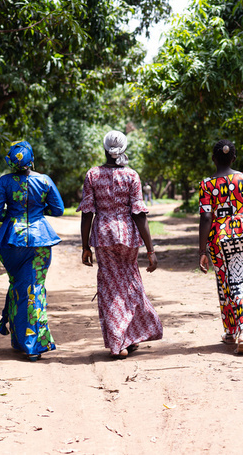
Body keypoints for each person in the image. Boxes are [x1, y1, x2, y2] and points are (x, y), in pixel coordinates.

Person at [77, 130, 163, 359]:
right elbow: (139, 214)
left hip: (103, 236)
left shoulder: (93, 175)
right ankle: (129, 336)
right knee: (130, 282)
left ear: (105, 149)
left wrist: (85, 246)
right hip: (128, 236)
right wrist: (150, 250)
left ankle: (119, 341)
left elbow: (87, 213)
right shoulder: (132, 176)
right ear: (123, 149)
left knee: (110, 286)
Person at [0, 141, 65, 362]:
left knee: (20, 287)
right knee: (34, 289)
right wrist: (39, 211)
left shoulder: (4, 182)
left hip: (11, 242)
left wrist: (12, 218)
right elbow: (58, 209)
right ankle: (33, 345)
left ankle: (21, 340)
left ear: (11, 161)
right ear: (32, 160)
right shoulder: (45, 180)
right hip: (40, 241)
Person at [198, 139, 243, 356]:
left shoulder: (207, 184)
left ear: (213, 158)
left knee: (224, 281)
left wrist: (202, 250)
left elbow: (206, 217)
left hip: (218, 239)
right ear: (234, 158)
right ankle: (242, 330)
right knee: (241, 281)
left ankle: (230, 331)